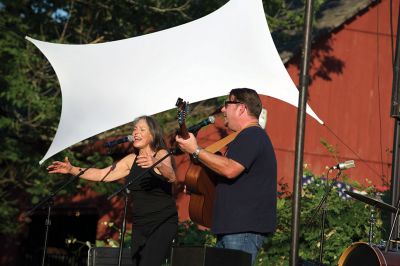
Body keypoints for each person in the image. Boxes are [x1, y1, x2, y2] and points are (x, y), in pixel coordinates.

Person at [47, 116, 178, 266]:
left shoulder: (160, 154)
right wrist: (72, 169)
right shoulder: (131, 160)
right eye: (135, 129)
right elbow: (103, 174)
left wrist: (156, 163)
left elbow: (172, 176)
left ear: (152, 135)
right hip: (141, 223)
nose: (136, 132)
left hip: (162, 221)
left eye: (142, 129)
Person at [175, 88, 277, 265]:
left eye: (227, 104)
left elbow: (230, 169)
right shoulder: (246, 137)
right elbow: (233, 178)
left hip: (242, 229)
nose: (223, 110)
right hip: (234, 228)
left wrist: (196, 150)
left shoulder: (252, 135)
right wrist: (200, 184)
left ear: (241, 108)